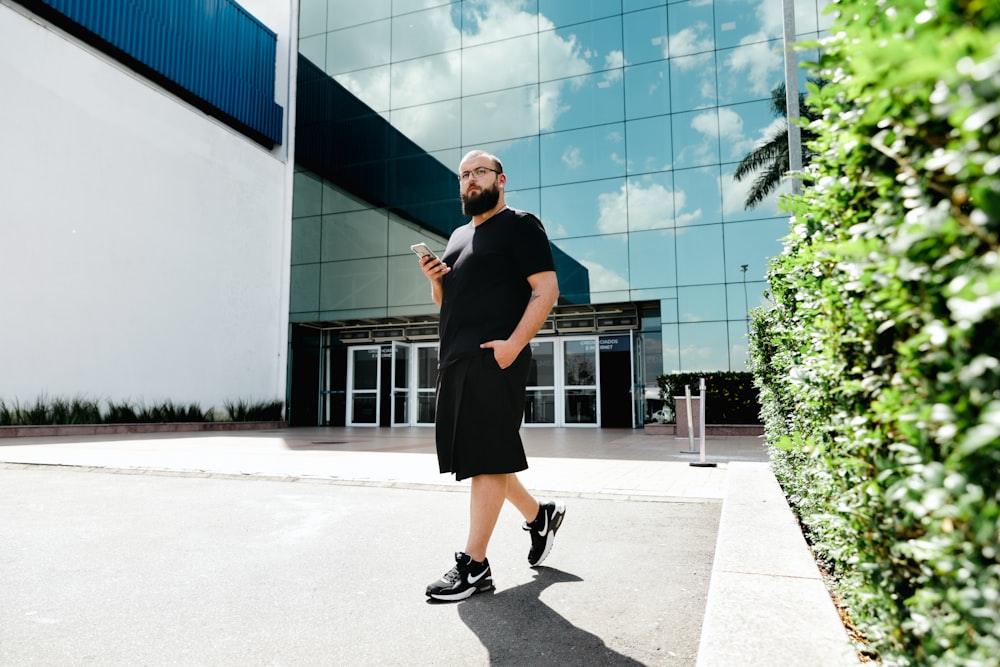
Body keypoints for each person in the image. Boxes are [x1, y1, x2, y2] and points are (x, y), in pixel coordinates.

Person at [418, 149, 565, 602]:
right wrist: (435, 279)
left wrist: (512, 347)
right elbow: (450, 305)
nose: (470, 180)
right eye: (463, 175)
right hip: (457, 360)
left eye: (479, 172)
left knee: (485, 456)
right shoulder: (459, 235)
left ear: (501, 180)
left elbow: (547, 290)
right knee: (486, 454)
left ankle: (474, 566)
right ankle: (539, 515)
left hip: (495, 359)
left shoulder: (520, 224)